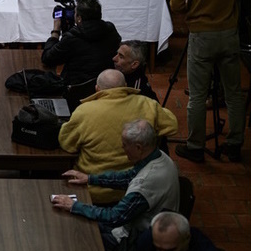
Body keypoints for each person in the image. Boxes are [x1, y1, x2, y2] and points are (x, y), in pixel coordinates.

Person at [170, 0, 250, 163]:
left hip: (202, 35)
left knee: (197, 94)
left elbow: (175, 4)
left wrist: (192, 4)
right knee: (233, 93)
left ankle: (195, 145)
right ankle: (234, 143)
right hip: (229, 33)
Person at [52, 119, 180, 251]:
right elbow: (128, 177)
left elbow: (114, 217)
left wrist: (74, 206)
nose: (123, 149)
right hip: (134, 226)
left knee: (77, 235)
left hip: (134, 243)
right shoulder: (158, 156)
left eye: (125, 145)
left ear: (138, 147)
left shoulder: (146, 182)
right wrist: (90, 179)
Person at [58, 69, 178, 204]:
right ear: (125, 85)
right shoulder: (147, 104)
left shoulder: (84, 111)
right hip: (136, 187)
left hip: (93, 190)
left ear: (97, 89)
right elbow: (172, 126)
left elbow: (67, 144)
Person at [41, 0, 121, 85]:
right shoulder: (110, 30)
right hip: (106, 83)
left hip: (76, 87)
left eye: (75, 13)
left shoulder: (72, 37)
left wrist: (55, 31)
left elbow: (47, 59)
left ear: (79, 18)